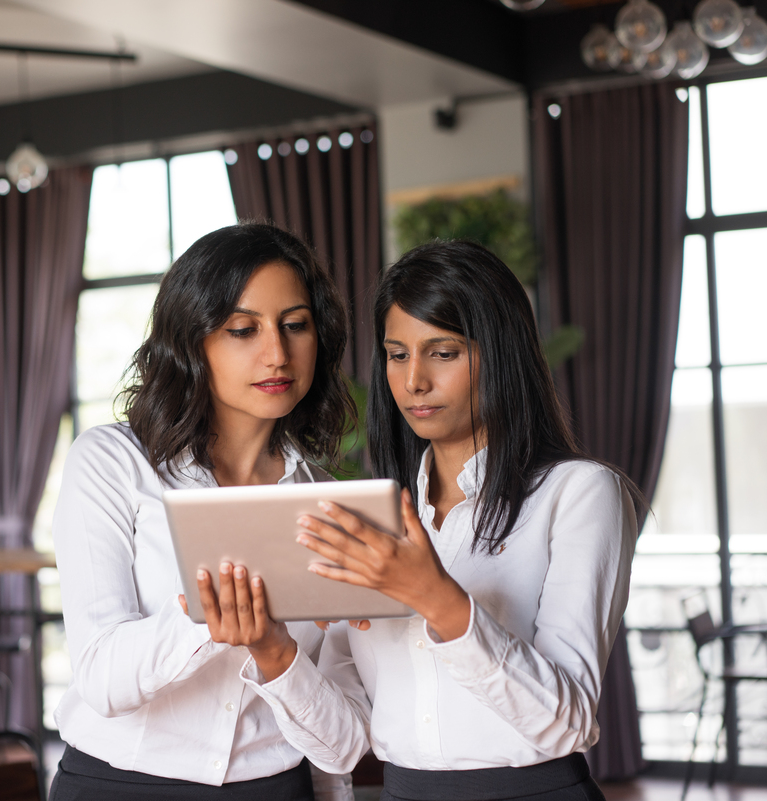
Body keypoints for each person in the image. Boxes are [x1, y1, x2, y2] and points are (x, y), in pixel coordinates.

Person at [196, 240, 639, 801]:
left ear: (502, 354)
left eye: (444, 352)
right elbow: (342, 745)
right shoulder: (369, 523)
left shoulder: (577, 494)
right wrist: (272, 650)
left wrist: (436, 598)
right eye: (398, 354)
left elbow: (566, 722)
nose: (414, 382)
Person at [50, 223, 358, 800]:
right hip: (120, 784)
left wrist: (276, 652)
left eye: (296, 325)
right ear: (192, 341)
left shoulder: (330, 505)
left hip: (272, 787)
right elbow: (101, 679)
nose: (277, 353)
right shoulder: (113, 462)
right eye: (243, 329)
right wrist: (205, 613)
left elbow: (341, 746)